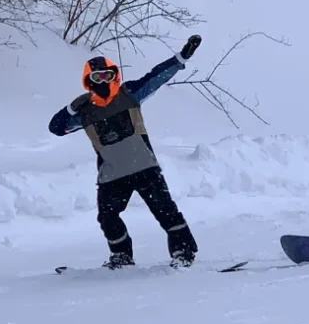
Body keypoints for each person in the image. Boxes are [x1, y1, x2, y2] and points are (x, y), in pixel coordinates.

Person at [49, 36, 202, 269]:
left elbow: (155, 78)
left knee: (166, 211)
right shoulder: (84, 112)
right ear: (88, 81)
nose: (103, 80)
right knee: (107, 218)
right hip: (112, 174)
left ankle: (184, 252)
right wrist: (71, 107)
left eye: (107, 75)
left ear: (115, 75)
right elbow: (57, 128)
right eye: (96, 77)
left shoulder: (129, 94)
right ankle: (121, 257)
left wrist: (181, 57)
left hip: (144, 166)